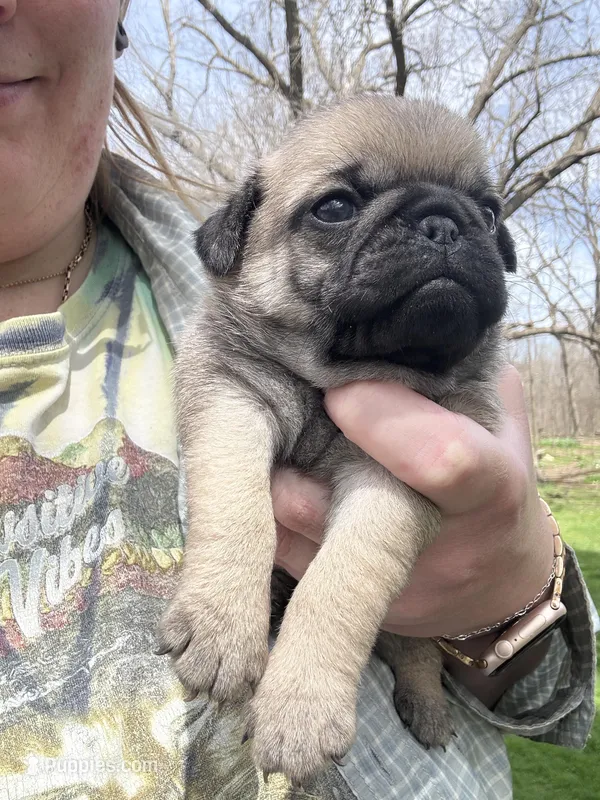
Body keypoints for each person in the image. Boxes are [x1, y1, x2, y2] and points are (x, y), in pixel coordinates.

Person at [0, 2, 595, 798]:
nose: (442, 235)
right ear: (237, 243)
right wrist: (229, 573)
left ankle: (417, 676)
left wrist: (519, 590)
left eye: (479, 214)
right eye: (339, 209)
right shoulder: (235, 341)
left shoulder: (458, 383)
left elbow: (545, 691)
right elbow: (230, 417)